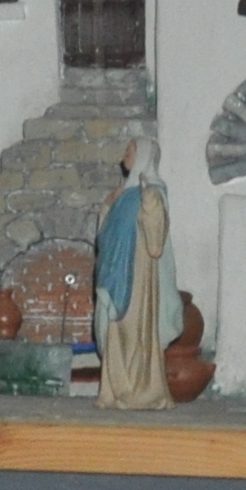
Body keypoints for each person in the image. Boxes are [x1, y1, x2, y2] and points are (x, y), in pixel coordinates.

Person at [93, 135, 177, 410]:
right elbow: (104, 236)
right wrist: (108, 205)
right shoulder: (124, 194)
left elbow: (155, 243)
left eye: (129, 152)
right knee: (115, 331)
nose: (123, 158)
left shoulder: (154, 191)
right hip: (115, 272)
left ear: (142, 156)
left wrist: (149, 200)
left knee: (136, 331)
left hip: (139, 274)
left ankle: (141, 391)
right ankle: (114, 390)